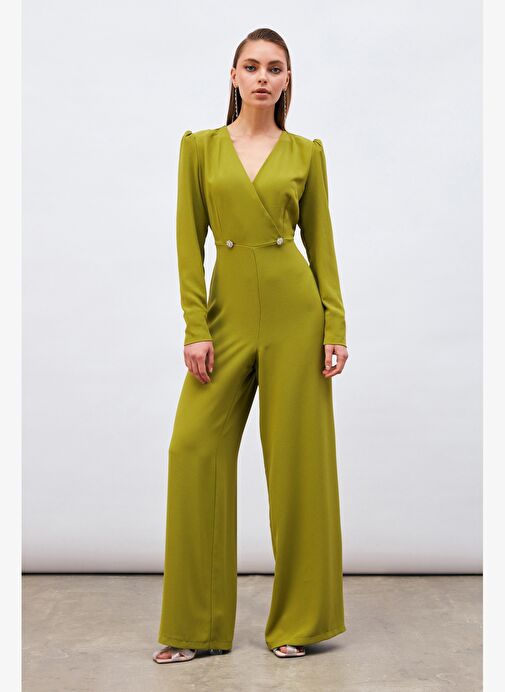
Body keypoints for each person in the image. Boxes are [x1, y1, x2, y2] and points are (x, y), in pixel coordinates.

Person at [153, 27, 349, 663]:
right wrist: (196, 326)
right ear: (234, 76)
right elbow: (189, 242)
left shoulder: (306, 153)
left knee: (298, 466)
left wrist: (335, 325)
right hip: (227, 314)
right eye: (252, 66)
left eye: (275, 68)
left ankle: (298, 622)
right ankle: (195, 627)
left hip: (296, 314)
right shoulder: (200, 149)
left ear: (287, 81)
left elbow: (321, 243)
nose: (263, 77)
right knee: (193, 449)